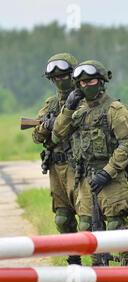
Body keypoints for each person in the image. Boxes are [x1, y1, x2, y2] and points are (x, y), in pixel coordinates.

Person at [51, 60, 128, 266]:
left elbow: (127, 144)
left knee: (117, 223)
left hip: (111, 178)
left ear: (101, 82)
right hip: (84, 179)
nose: (85, 86)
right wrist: (68, 108)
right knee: (87, 226)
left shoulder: (115, 110)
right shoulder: (78, 112)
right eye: (81, 83)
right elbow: (57, 136)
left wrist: (107, 172)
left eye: (90, 81)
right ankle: (98, 268)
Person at [32, 53, 82, 266]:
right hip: (56, 167)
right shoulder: (50, 105)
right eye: (55, 78)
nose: (60, 81)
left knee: (88, 216)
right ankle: (74, 260)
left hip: (79, 165)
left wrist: (62, 120)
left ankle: (101, 259)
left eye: (64, 76)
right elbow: (36, 136)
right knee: (62, 218)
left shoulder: (84, 99)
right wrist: (46, 125)